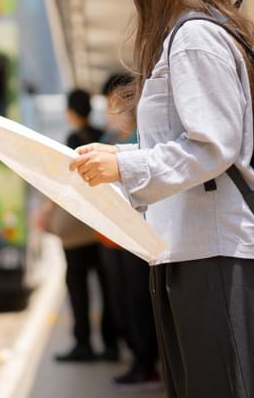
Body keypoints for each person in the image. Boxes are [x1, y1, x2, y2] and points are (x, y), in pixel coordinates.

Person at [70, 0, 254, 397]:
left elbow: (214, 147)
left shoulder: (194, 38)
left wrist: (123, 162)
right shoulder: (192, 35)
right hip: (192, 244)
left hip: (212, 247)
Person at [38, 88, 120, 363]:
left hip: (78, 229)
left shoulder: (73, 139)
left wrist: (46, 211)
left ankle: (83, 343)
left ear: (71, 112)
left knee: (78, 285)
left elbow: (66, 181)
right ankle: (111, 344)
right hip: (104, 226)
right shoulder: (102, 137)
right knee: (108, 286)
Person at [97, 72, 162, 392]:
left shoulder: (138, 141)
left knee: (138, 304)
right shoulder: (118, 140)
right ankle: (141, 362)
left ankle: (146, 364)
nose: (110, 112)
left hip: (135, 238)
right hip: (118, 238)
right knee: (129, 304)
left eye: (113, 105)